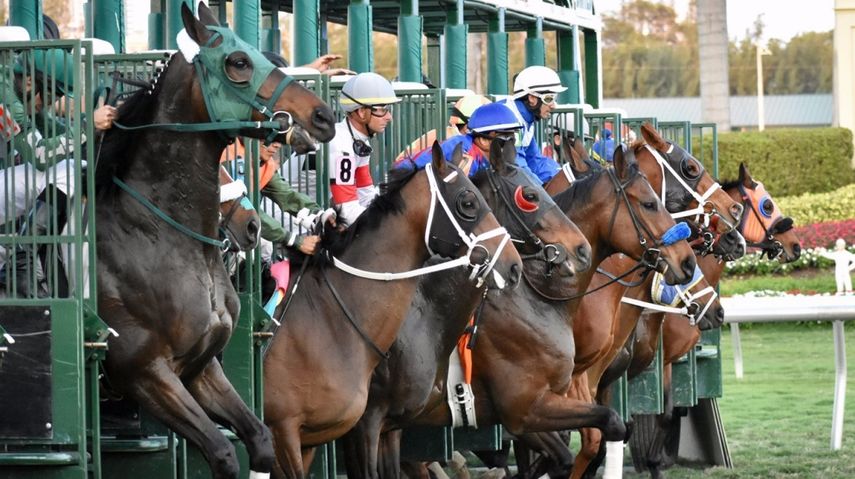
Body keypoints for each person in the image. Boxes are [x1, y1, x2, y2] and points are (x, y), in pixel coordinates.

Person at [1, 48, 117, 296]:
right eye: (53, 94)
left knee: (73, 168)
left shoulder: (21, 94)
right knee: (66, 168)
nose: (54, 103)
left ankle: (27, 259)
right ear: (31, 81)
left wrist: (95, 123)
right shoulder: (5, 96)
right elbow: (40, 156)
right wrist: (88, 126)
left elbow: (55, 130)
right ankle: (22, 259)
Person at [220, 139, 331, 256]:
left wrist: (320, 214)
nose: (277, 145)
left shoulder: (265, 162)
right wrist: (294, 240)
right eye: (271, 139)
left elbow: (287, 196)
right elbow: (246, 211)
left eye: (279, 139)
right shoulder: (231, 153)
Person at [329, 72, 400, 225]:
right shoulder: (341, 146)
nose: (389, 117)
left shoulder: (359, 142)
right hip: (291, 221)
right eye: (382, 109)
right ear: (361, 112)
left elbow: (366, 196)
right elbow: (346, 210)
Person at [409, 102, 522, 175]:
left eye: (512, 137)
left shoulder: (488, 157)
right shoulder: (466, 156)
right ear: (483, 140)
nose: (509, 144)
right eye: (504, 138)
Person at [500, 65, 567, 184]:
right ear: (531, 98)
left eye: (554, 98)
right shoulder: (510, 119)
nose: (553, 106)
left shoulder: (526, 119)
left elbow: (534, 160)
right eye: (549, 99)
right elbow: (517, 168)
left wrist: (563, 175)